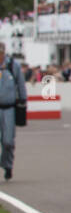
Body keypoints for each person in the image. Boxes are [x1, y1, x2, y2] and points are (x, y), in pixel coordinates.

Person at [0, 41, 26, 181]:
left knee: (8, 141)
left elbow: (21, 83)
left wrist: (23, 100)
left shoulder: (12, 66)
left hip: (9, 107)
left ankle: (7, 164)